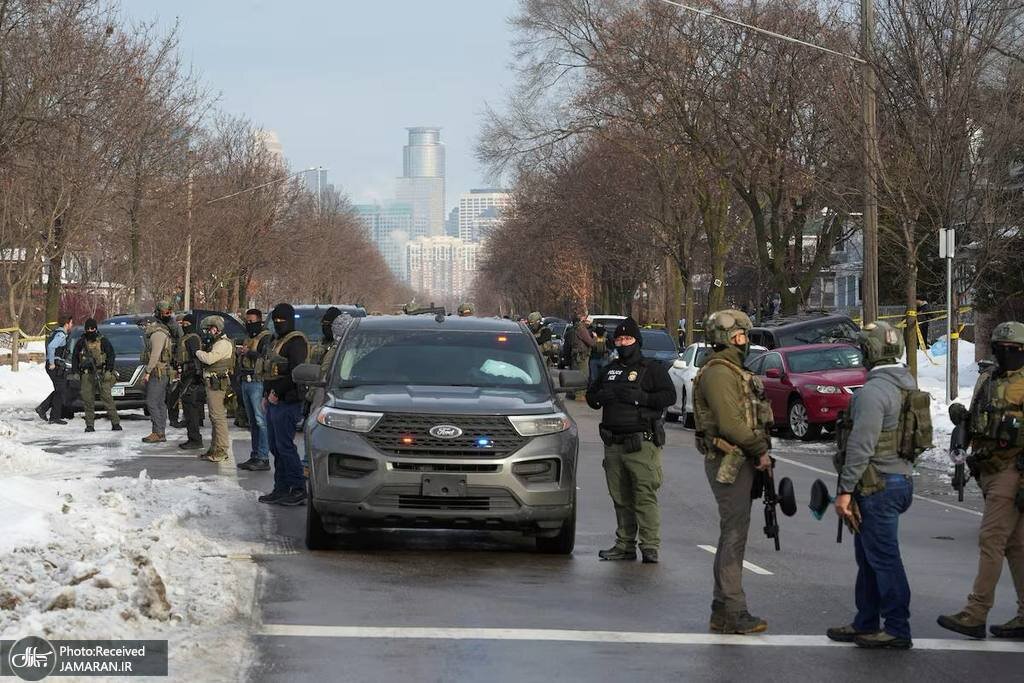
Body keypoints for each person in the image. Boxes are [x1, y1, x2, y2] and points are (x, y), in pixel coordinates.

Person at [827, 320, 916, 650]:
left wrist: (845, 491)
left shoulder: (874, 392)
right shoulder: (906, 385)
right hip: (899, 479)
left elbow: (861, 445)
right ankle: (865, 621)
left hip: (876, 484)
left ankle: (896, 627)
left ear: (870, 352)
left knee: (883, 559)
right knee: (868, 556)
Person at [937, 321, 1024, 640]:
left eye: (1012, 350)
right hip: (987, 469)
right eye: (1000, 348)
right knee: (1016, 545)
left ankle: (976, 613)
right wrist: (963, 420)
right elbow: (979, 419)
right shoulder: (987, 378)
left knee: (992, 540)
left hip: (1013, 471)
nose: (1005, 354)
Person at [691, 309, 773, 634]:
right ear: (729, 337)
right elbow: (730, 425)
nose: (746, 341)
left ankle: (722, 610)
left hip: (740, 461)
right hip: (730, 463)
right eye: (741, 335)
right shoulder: (720, 374)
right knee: (734, 535)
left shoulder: (731, 370)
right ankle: (733, 611)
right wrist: (760, 449)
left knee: (733, 533)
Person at [586, 317, 675, 564]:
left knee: (644, 495)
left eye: (628, 339)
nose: (623, 343)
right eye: (620, 339)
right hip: (613, 443)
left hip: (641, 443)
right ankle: (625, 544)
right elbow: (591, 397)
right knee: (620, 497)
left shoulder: (652, 369)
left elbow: (669, 396)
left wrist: (640, 398)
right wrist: (602, 395)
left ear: (637, 341)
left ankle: (650, 547)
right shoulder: (609, 369)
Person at [259, 303, 309, 506]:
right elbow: (268, 370)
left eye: (282, 321)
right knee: (275, 447)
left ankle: (297, 489)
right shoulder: (274, 340)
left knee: (285, 446)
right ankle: (280, 488)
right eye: (276, 321)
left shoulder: (296, 341)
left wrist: (276, 392)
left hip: (287, 400)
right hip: (272, 400)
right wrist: (266, 394)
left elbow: (295, 373)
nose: (278, 324)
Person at [195, 316, 234, 463]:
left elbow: (209, 359)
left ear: (216, 328)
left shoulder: (223, 344)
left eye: (208, 330)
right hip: (212, 382)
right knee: (214, 417)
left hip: (217, 383)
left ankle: (222, 449)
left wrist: (197, 352)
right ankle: (214, 447)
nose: (207, 333)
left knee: (218, 417)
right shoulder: (217, 343)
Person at [236, 309, 272, 471]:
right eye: (247, 322)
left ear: (260, 321)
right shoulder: (248, 338)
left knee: (260, 421)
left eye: (251, 322)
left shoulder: (266, 337)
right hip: (246, 380)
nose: (249, 325)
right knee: (253, 422)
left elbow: (265, 358)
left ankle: (263, 457)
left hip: (257, 382)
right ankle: (255, 454)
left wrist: (249, 353)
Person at [71, 318, 121, 432]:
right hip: (86, 375)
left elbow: (111, 356)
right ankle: (90, 425)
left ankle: (115, 423)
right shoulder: (81, 342)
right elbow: (75, 358)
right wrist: (75, 372)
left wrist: (108, 370)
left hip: (101, 374)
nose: (90, 330)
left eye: (92, 328)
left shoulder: (103, 341)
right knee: (88, 401)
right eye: (88, 329)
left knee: (107, 399)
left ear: (96, 328)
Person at [139, 303, 175, 443]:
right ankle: (160, 432)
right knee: (160, 403)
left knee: (152, 402)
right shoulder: (160, 333)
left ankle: (158, 432)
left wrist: (147, 371)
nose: (143, 329)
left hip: (158, 372)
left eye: (144, 326)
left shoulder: (157, 335)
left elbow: (155, 355)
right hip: (161, 371)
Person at [174, 314, 206, 451]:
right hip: (187, 375)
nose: (184, 326)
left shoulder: (192, 338)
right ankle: (192, 437)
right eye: (183, 324)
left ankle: (195, 439)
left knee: (190, 408)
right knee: (188, 408)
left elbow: (196, 357)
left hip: (191, 376)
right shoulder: (189, 337)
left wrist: (196, 376)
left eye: (187, 324)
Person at [36, 314, 74, 425]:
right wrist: (52, 363)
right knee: (61, 390)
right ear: (67, 324)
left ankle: (44, 410)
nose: (72, 325)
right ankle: (52, 416)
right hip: (54, 366)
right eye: (71, 323)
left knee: (60, 390)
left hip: (55, 365)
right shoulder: (61, 335)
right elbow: (51, 347)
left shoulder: (56, 332)